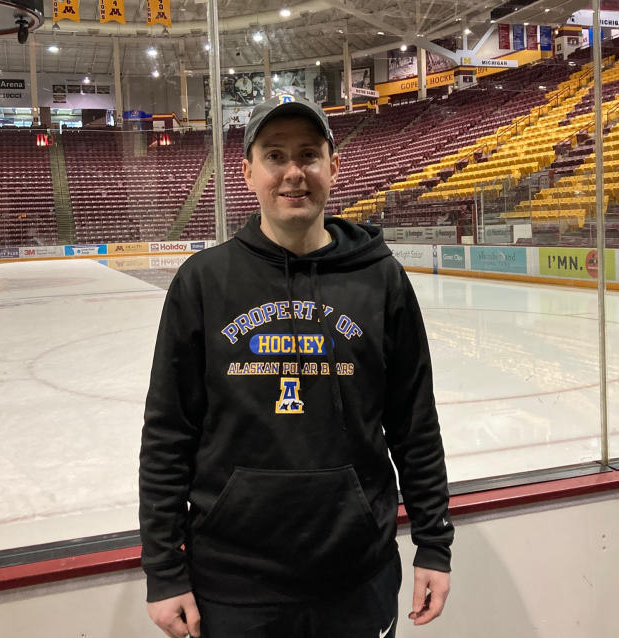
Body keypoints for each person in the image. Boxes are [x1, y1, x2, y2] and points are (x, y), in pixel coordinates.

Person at [139, 94, 454, 638]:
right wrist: (165, 570)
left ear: (334, 166)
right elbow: (169, 435)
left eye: (309, 155)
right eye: (274, 156)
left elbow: (414, 424)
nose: (293, 173)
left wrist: (433, 542)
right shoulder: (203, 282)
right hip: (233, 582)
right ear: (247, 172)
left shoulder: (381, 280)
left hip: (356, 574)